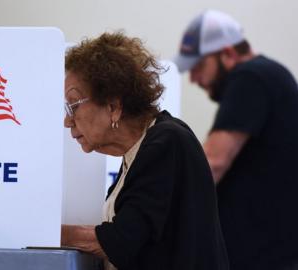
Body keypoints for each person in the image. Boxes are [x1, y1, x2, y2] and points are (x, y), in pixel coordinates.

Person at [60, 32, 229, 270]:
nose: (68, 121)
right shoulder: (140, 150)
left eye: (73, 105)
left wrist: (43, 231)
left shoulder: (166, 143)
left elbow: (118, 241)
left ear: (113, 106)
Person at [173, 9, 298, 270]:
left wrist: (160, 205)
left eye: (199, 66)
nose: (193, 79)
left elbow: (212, 163)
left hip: (276, 257)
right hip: (292, 250)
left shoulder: (250, 77)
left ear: (227, 54)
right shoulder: (271, 74)